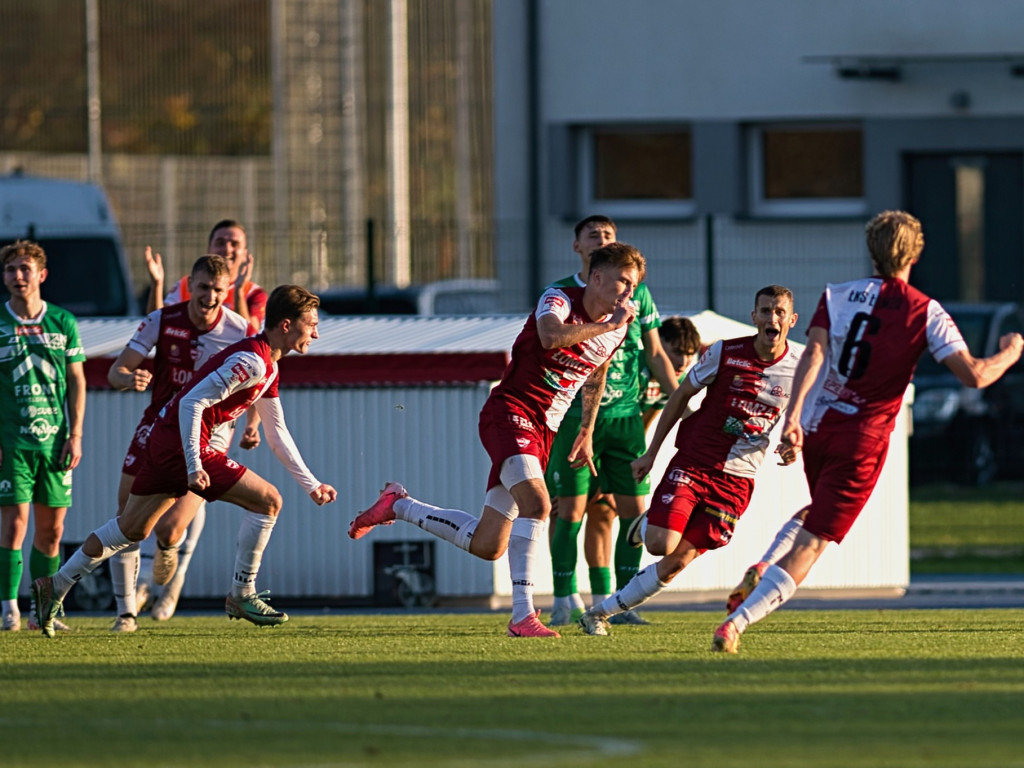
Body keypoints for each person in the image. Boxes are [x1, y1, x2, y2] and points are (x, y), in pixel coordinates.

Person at [712, 211, 1024, 654]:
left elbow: (814, 353)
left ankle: (764, 565)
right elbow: (973, 375)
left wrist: (795, 417)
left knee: (815, 513)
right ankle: (736, 623)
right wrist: (1010, 352)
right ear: (915, 253)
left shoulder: (837, 295)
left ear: (871, 250)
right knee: (814, 543)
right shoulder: (925, 310)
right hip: (864, 440)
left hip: (820, 427)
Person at [348, 242, 646, 637]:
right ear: (596, 277)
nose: (629, 291)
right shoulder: (557, 300)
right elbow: (550, 337)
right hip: (510, 412)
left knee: (489, 544)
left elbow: (596, 371)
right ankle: (523, 615)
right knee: (539, 504)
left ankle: (399, 506)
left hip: (545, 430)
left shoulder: (619, 326)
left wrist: (587, 430)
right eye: (623, 281)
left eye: (634, 284)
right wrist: (609, 325)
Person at [31, 285, 337, 637]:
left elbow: (276, 431)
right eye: (311, 324)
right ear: (286, 325)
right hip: (181, 445)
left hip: (166, 441)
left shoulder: (267, 363)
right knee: (268, 502)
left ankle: (55, 585)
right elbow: (191, 402)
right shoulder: (252, 360)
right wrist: (195, 465)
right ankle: (242, 594)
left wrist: (312, 484)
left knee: (131, 529)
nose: (316, 332)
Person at [578, 285, 801, 636]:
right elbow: (681, 393)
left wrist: (794, 442)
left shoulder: (799, 369)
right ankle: (651, 521)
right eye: (766, 310)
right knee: (659, 544)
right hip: (696, 462)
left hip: (738, 480)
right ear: (754, 316)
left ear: (791, 319)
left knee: (676, 562)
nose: (772, 317)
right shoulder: (725, 353)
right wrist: (651, 453)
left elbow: (803, 416)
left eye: (779, 311)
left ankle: (598, 614)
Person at [104, 254, 253, 632]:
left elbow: (260, 383)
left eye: (218, 290)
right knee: (126, 518)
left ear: (228, 291)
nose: (210, 297)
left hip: (210, 431)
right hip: (158, 424)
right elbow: (117, 369)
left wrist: (253, 425)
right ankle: (125, 614)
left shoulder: (240, 330)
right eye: (204, 287)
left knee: (169, 529)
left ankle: (170, 555)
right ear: (190, 285)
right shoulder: (162, 320)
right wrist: (129, 378)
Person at [545, 216, 679, 628]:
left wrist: (680, 397)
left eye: (608, 235)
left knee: (633, 511)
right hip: (573, 415)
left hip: (626, 417)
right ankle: (564, 597)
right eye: (593, 235)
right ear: (579, 248)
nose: (602, 239)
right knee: (569, 511)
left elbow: (655, 352)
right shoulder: (566, 294)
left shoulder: (640, 296)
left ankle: (620, 601)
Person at [137, 219, 266, 616]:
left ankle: (167, 583)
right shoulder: (186, 286)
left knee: (178, 518)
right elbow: (159, 325)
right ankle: (136, 591)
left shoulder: (255, 297)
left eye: (235, 243)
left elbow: (253, 349)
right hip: (168, 415)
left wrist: (253, 422)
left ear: (246, 255)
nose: (227, 248)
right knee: (137, 512)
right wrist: (157, 285)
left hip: (214, 423)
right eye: (220, 242)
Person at [0, 241, 86, 632]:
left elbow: (76, 380)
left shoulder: (63, 322)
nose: (18, 276)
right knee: (15, 524)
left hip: (55, 442)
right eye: (11, 270)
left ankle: (42, 611)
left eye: (25, 269)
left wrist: (76, 434)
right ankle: (9, 609)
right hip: (12, 441)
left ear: (41, 274)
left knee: (51, 532)